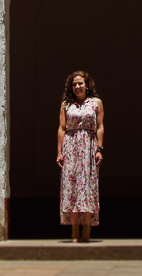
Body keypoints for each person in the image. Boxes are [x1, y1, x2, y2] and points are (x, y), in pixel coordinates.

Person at [57, 70, 104, 242]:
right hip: (71, 147)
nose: (77, 86)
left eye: (80, 83)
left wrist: (99, 149)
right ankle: (75, 230)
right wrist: (59, 152)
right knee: (72, 187)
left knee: (88, 187)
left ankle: (87, 231)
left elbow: (100, 126)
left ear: (87, 84)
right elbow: (62, 128)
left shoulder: (96, 103)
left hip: (89, 147)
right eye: (74, 84)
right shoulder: (65, 105)